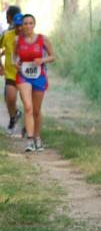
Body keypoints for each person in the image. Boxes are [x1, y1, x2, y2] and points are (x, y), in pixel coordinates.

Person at [13, 13, 55, 152]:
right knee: (28, 107)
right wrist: (16, 64)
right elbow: (14, 57)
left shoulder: (43, 39)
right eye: (25, 23)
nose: (28, 26)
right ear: (22, 26)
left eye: (31, 23)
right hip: (23, 75)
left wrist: (42, 60)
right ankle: (30, 140)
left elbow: (52, 56)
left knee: (36, 110)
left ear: (34, 24)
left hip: (39, 76)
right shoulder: (17, 40)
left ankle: (37, 137)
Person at [0, 10, 23, 134]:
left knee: (27, 101)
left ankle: (28, 127)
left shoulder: (29, 35)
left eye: (21, 25)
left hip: (25, 74)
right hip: (11, 73)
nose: (19, 28)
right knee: (10, 99)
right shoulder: (7, 35)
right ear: (13, 24)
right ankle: (14, 117)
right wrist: (2, 67)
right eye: (17, 25)